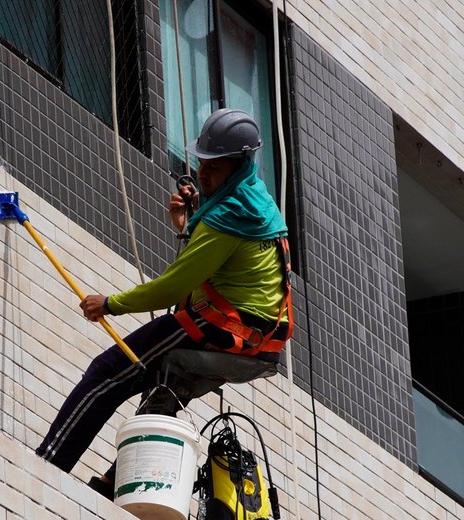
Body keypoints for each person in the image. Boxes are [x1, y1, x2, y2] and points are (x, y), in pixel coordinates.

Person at [35, 108, 293, 499]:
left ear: (239, 166)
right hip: (258, 344)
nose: (204, 177)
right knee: (164, 393)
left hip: (223, 328)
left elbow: (172, 288)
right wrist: (186, 226)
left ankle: (47, 463)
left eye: (215, 169)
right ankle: (113, 485)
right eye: (202, 165)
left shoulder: (228, 216)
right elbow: (222, 268)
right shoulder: (256, 202)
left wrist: (109, 303)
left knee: (107, 372)